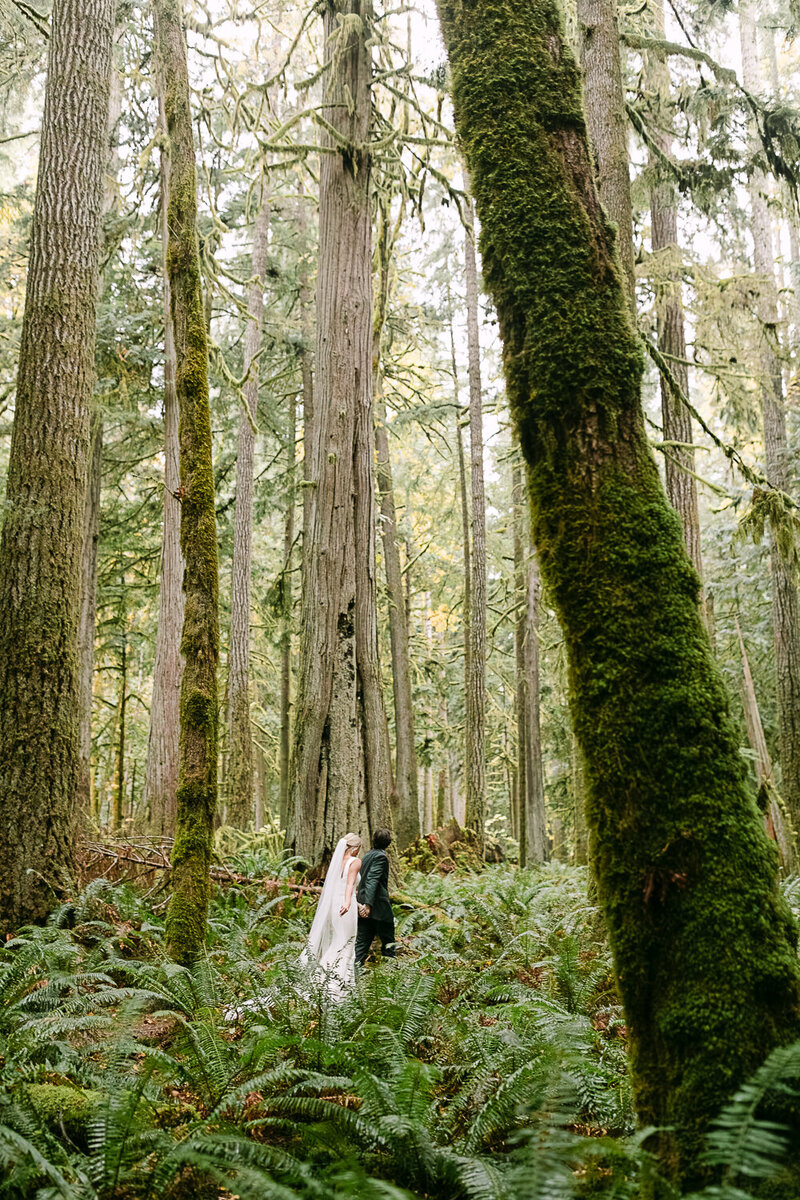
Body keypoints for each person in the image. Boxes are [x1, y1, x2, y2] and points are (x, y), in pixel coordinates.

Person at [302, 833, 362, 998]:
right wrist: (348, 902)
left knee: (338, 941)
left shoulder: (337, 862)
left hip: (334, 906)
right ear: (355, 848)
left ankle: (322, 979)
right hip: (345, 906)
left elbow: (336, 886)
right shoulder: (355, 861)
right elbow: (349, 884)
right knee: (346, 943)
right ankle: (339, 986)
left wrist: (354, 903)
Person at [355, 828, 396, 965]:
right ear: (388, 843)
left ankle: (353, 977)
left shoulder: (367, 856)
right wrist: (368, 905)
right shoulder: (381, 857)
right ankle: (390, 977)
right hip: (377, 908)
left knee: (361, 946)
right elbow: (372, 880)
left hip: (364, 907)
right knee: (389, 944)